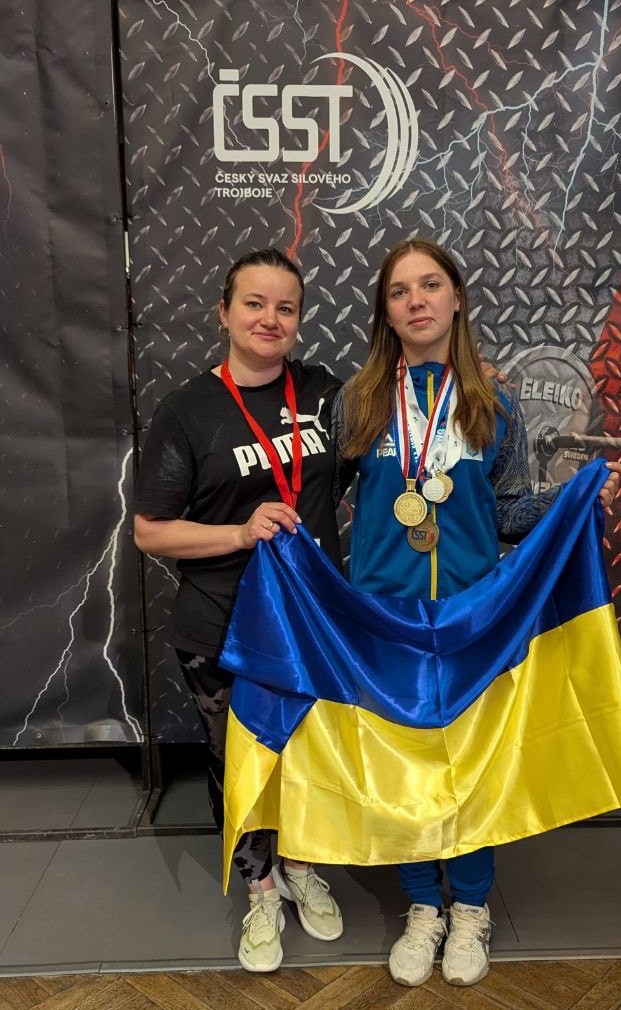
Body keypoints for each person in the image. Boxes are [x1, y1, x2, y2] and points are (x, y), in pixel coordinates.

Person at [338, 237, 621, 988]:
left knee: (468, 769)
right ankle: (421, 906)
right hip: (386, 620)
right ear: (386, 312)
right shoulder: (359, 401)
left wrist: (572, 497)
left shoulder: (493, 403)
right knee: (403, 767)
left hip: (471, 618)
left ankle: (469, 908)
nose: (417, 300)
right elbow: (316, 502)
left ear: (457, 298)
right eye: (400, 291)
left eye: (431, 285)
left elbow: (505, 513)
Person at [133, 248, 345, 973]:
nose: (269, 319)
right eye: (254, 303)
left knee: (310, 756)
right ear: (223, 313)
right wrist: (239, 532)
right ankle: (260, 889)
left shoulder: (324, 393)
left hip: (312, 622)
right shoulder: (187, 410)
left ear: (299, 319)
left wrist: (474, 387)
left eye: (286, 307)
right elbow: (150, 531)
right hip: (222, 626)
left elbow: (395, 444)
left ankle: (303, 867)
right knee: (244, 765)